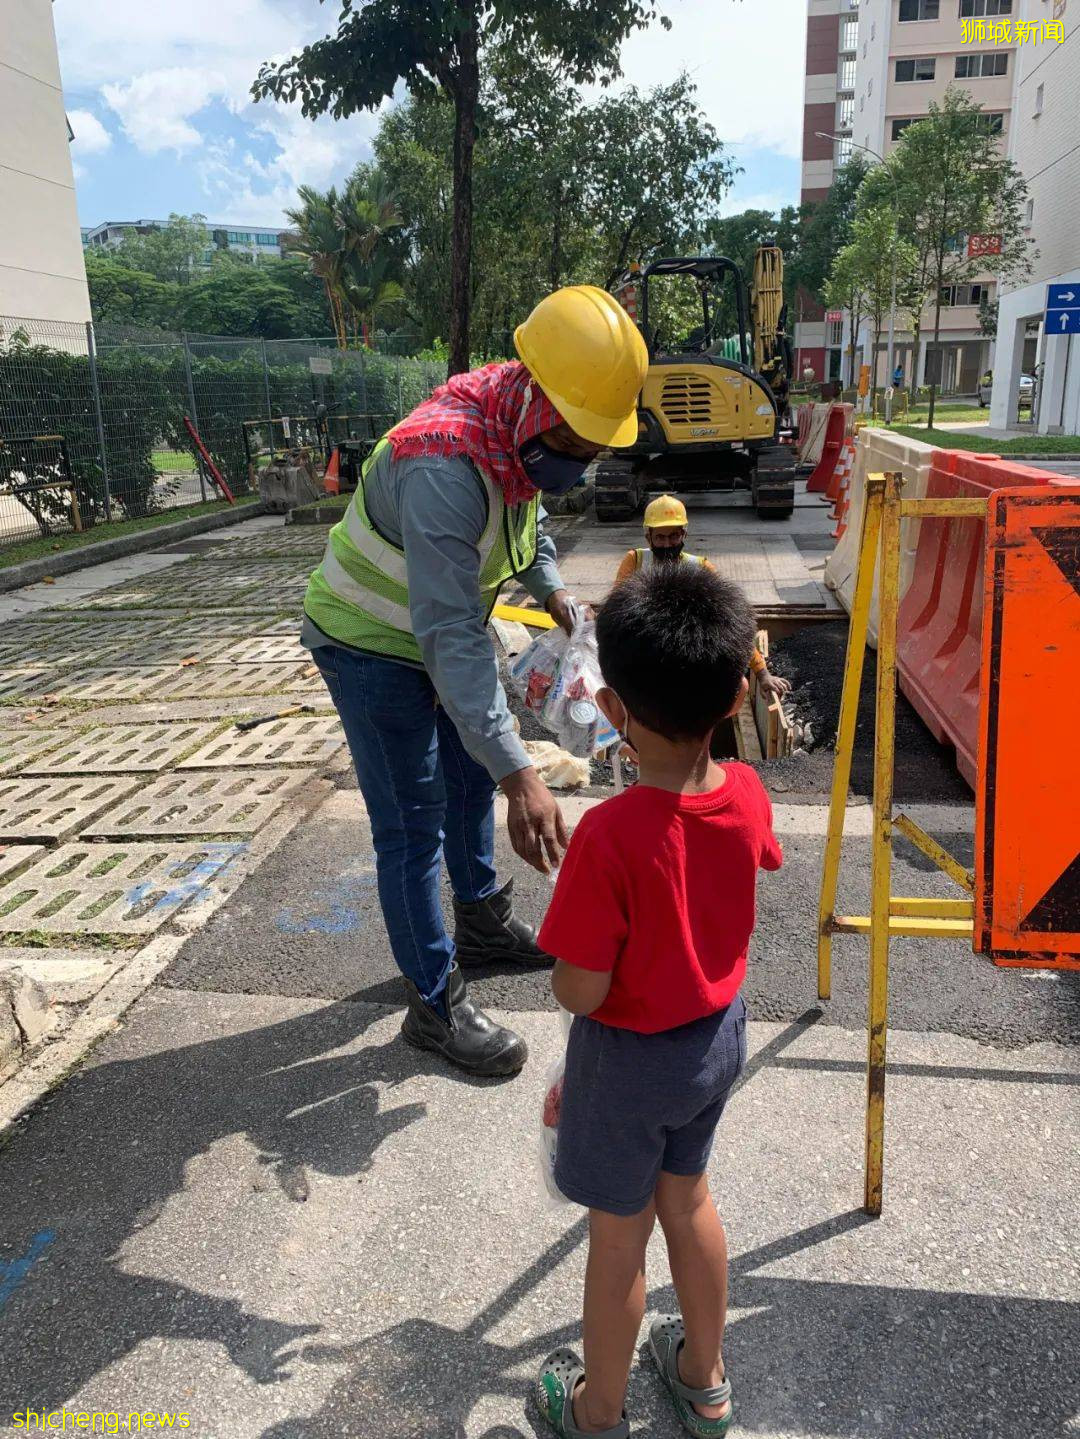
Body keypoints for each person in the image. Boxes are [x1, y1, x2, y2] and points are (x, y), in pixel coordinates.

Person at [302, 285, 649, 1079]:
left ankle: (483, 924)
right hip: (369, 643)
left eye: (591, 449)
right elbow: (450, 633)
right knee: (413, 819)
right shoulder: (445, 466)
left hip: (431, 633)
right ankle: (433, 1001)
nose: (578, 461)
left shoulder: (512, 418)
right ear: (540, 404)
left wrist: (553, 590)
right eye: (572, 442)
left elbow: (529, 523)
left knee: (468, 775)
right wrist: (523, 771)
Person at [534, 563, 783, 1439]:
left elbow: (582, 987)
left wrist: (565, 972)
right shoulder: (749, 794)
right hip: (715, 1042)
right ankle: (704, 1380)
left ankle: (598, 1411)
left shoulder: (607, 835)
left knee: (618, 1238)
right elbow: (749, 868)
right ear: (734, 695)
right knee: (690, 1202)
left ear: (612, 712)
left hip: (631, 1061)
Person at [612, 495, 791, 702]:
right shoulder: (635, 562)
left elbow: (731, 623)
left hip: (687, 662)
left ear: (684, 534)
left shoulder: (700, 568)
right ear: (648, 538)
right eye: (660, 537)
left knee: (737, 686)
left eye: (674, 536)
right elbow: (618, 617)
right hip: (645, 658)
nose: (667, 543)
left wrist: (762, 673)